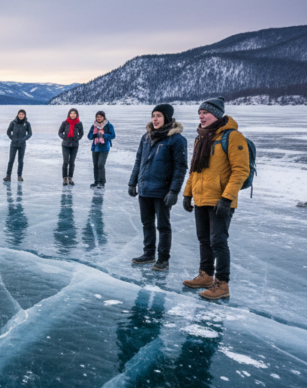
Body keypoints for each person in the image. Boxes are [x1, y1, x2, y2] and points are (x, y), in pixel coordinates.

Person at [182, 97, 249, 300]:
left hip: (221, 200)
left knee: (218, 242)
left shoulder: (233, 136)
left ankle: (222, 284)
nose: (201, 116)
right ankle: (206, 275)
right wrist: (187, 194)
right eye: (199, 113)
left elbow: (240, 171)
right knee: (204, 240)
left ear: (217, 114)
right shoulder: (201, 137)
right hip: (201, 198)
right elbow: (195, 170)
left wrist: (227, 198)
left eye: (206, 113)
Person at [128, 104, 188, 271]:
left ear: (167, 118)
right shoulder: (146, 138)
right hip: (145, 188)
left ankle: (163, 259)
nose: (155, 119)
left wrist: (174, 191)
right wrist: (132, 182)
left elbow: (180, 167)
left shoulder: (177, 140)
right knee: (147, 223)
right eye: (153, 115)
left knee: (163, 226)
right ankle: (148, 254)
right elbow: (138, 161)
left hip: (162, 190)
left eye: (159, 115)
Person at [87, 111, 116, 188]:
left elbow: (113, 135)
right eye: (97, 117)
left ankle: (102, 182)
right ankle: (96, 181)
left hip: (104, 147)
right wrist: (94, 135)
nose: (98, 118)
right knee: (95, 165)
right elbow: (89, 136)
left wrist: (103, 135)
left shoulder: (108, 125)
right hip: (95, 147)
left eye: (100, 117)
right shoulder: (94, 126)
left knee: (101, 164)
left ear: (104, 117)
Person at [4, 109, 32, 182]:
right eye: (20, 114)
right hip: (13, 144)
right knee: (11, 160)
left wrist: (24, 139)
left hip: (22, 145)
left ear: (25, 115)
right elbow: (8, 131)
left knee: (20, 161)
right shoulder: (13, 123)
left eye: (22, 114)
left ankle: (19, 176)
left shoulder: (27, 124)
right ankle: (8, 176)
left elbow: (30, 133)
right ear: (17, 115)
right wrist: (12, 138)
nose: (21, 115)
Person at [58, 108, 84, 186]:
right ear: (69, 114)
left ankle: (70, 178)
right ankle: (65, 178)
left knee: (72, 162)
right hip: (65, 145)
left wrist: (77, 138)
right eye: (71, 113)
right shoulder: (65, 123)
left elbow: (81, 133)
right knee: (65, 162)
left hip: (75, 145)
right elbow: (59, 132)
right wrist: (64, 137)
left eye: (74, 113)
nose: (72, 115)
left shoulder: (79, 123)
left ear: (77, 115)